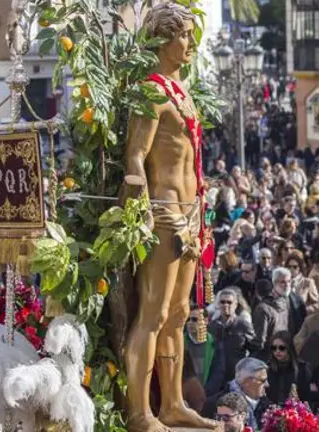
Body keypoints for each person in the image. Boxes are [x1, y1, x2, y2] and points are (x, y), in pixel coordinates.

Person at [122, 4, 220, 429]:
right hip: (162, 213)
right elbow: (136, 155)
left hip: (192, 212)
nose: (188, 44)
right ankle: (140, 411)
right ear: (161, 39)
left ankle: (173, 404)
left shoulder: (183, 91)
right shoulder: (152, 92)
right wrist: (138, 200)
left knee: (179, 314)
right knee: (154, 314)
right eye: (181, 36)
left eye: (189, 36)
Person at [202, 357, 271, 430]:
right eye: (263, 380)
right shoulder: (214, 405)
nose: (267, 384)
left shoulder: (268, 406)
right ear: (247, 382)